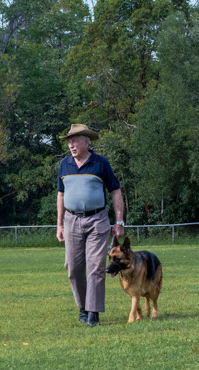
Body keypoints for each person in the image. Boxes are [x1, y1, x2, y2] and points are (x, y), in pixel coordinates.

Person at [56, 124, 125, 327]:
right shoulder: (64, 165)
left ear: (87, 142)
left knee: (95, 266)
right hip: (71, 221)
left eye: (75, 140)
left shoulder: (100, 163)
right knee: (73, 268)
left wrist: (119, 221)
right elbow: (60, 195)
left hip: (97, 220)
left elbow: (115, 191)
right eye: (69, 141)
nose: (71, 144)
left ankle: (93, 312)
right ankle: (83, 307)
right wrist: (59, 224)